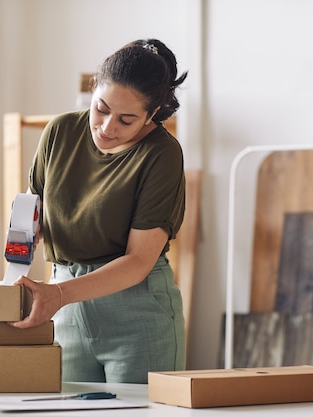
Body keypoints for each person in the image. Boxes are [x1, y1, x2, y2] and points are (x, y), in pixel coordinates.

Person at [10, 38, 188, 384]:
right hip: (65, 309)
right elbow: (33, 213)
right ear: (93, 90)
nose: (107, 128)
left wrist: (58, 295)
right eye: (101, 109)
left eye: (126, 119)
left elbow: (138, 261)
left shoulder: (161, 154)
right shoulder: (60, 131)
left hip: (138, 314)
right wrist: (17, 251)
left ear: (151, 115)